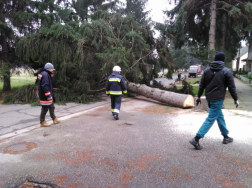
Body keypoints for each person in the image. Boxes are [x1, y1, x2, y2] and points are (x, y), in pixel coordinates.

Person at [189, 52, 239, 150]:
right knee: (211, 119)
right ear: (223, 60)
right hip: (218, 99)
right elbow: (232, 87)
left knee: (219, 116)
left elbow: (202, 85)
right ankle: (196, 139)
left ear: (215, 59)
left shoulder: (207, 70)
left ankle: (226, 136)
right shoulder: (226, 71)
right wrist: (235, 99)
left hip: (209, 99)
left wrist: (199, 96)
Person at [38, 62, 61, 127]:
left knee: (52, 106)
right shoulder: (45, 75)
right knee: (44, 108)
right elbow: (45, 86)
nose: (53, 70)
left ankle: (54, 119)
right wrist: (48, 95)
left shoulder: (45, 73)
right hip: (45, 95)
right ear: (48, 69)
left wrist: (51, 74)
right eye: (52, 69)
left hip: (46, 94)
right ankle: (42, 122)